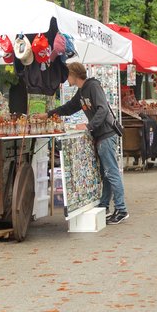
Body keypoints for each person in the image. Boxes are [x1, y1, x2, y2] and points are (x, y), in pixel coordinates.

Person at [48, 62, 128, 224]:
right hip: (100, 135)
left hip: (106, 134)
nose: (66, 79)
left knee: (111, 172)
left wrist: (88, 126)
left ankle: (121, 209)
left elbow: (103, 109)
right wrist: (49, 114)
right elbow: (69, 107)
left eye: (67, 76)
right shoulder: (81, 91)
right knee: (105, 173)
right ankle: (104, 205)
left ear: (74, 75)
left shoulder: (93, 86)